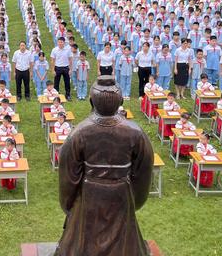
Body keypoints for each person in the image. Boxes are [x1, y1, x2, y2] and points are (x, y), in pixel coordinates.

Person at [55, 76, 153, 256]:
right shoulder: (135, 133)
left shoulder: (79, 133)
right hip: (121, 194)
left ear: (91, 101)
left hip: (89, 195)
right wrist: (133, 200)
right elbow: (143, 175)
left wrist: (69, 206)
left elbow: (68, 178)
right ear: (121, 101)